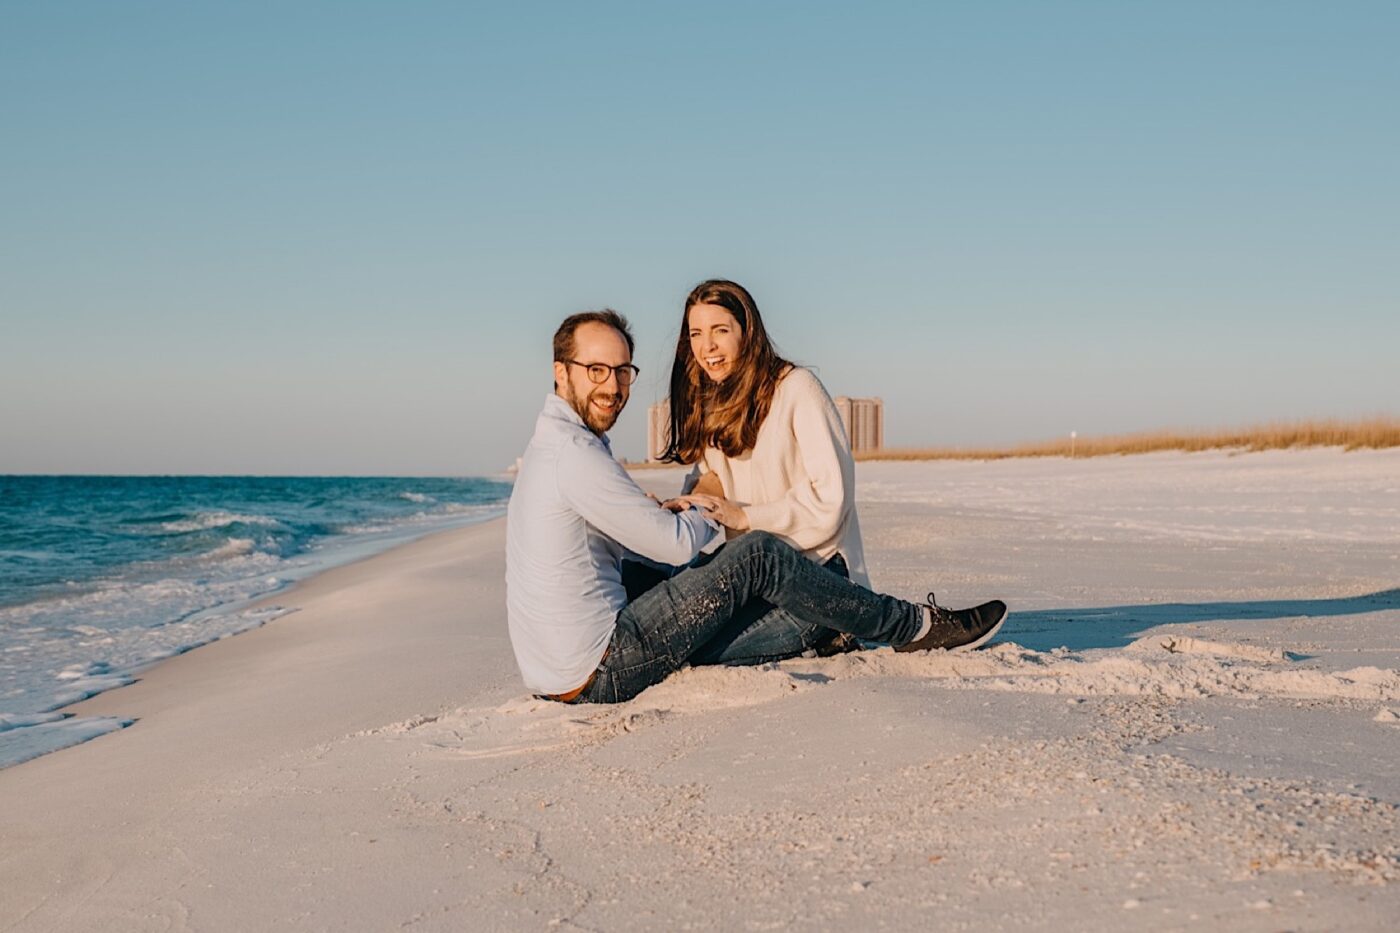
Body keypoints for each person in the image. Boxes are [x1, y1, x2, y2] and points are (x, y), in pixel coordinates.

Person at [504, 309, 1008, 704]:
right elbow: (674, 546)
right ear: (560, 372)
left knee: (706, 573)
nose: (613, 387)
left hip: (557, 672)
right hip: (603, 666)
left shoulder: (554, 444)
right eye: (596, 370)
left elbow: (625, 540)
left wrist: (658, 512)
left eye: (622, 371)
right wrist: (706, 508)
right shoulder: (573, 454)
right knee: (757, 555)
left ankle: (823, 617)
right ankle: (912, 626)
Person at [660, 279, 868, 664]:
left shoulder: (797, 388)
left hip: (820, 576)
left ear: (747, 331)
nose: (707, 347)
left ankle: (835, 632)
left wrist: (745, 517)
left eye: (720, 331)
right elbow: (714, 475)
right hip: (755, 578)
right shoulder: (712, 400)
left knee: (696, 654)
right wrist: (691, 501)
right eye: (696, 334)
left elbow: (831, 497)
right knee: (673, 629)